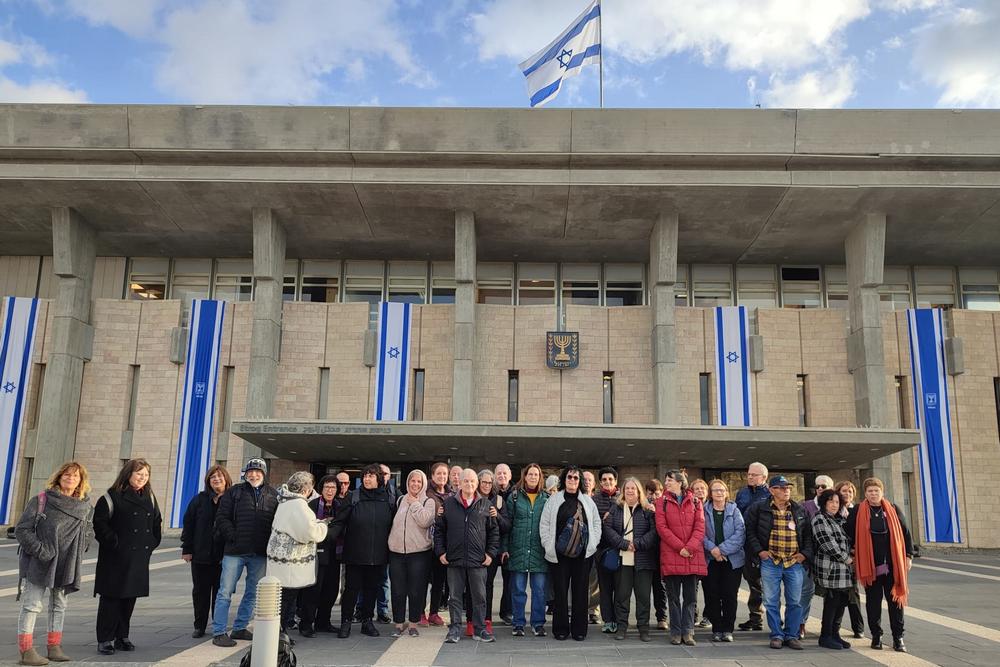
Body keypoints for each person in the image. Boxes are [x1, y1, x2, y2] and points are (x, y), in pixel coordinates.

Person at [15, 461, 94, 666]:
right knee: (32, 605)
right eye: (67, 475)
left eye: (75, 476)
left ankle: (54, 646)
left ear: (81, 481)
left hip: (67, 562)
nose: (71, 478)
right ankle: (26, 650)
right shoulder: (42, 500)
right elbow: (22, 529)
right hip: (40, 561)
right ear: (59, 477)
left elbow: (88, 530)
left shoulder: (85, 506)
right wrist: (41, 551)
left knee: (59, 605)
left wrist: (81, 548)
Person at [93, 458, 162, 655]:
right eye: (139, 473)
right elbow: (100, 524)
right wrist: (114, 542)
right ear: (128, 474)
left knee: (129, 597)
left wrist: (152, 542)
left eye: (146, 474)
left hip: (139, 555)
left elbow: (157, 521)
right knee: (111, 598)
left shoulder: (150, 496)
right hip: (115, 557)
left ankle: (122, 636)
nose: (142, 477)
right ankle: (105, 638)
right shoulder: (111, 496)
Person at [212, 458, 278, 647]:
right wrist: (232, 535)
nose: (253, 474)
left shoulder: (273, 495)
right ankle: (219, 632)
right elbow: (222, 518)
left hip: (259, 553)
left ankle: (240, 627)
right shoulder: (234, 492)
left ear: (264, 474)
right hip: (235, 551)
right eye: (250, 471)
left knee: (253, 592)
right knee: (225, 592)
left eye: (258, 471)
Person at [744, 475, 813, 650]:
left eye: (788, 488)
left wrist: (804, 554)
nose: (786, 491)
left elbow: (807, 535)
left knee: (795, 601)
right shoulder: (759, 508)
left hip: (793, 563)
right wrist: (760, 552)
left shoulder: (799, 509)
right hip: (771, 562)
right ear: (772, 490)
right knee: (771, 600)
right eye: (781, 488)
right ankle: (776, 634)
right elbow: (749, 531)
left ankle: (791, 635)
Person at [845, 477, 914, 653]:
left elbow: (906, 533)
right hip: (871, 567)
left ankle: (898, 637)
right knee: (873, 603)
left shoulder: (893, 509)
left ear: (882, 492)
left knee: (895, 602)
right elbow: (848, 534)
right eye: (870, 491)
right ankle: (876, 636)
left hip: (893, 566)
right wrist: (851, 553)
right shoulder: (858, 511)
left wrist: (908, 555)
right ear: (865, 493)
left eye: (876, 491)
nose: (873, 494)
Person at [328, 463, 395, 639]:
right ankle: (346, 622)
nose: (367, 478)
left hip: (378, 555)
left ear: (379, 479)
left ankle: (367, 621)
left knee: (372, 589)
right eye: (365, 476)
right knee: (351, 590)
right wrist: (327, 536)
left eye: (371, 476)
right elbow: (339, 521)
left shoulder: (388, 499)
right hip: (355, 554)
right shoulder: (353, 497)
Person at [436, 468, 499, 644]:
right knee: (455, 597)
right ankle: (455, 629)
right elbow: (439, 530)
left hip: (478, 560)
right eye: (466, 481)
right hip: (454, 560)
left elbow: (494, 532)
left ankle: (480, 629)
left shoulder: (486, 505)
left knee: (479, 596)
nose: (469, 484)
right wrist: (441, 552)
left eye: (472, 481)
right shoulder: (448, 505)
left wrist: (491, 554)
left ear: (477, 484)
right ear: (460, 483)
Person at [540, 465, 602, 642]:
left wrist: (593, 543)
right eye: (569, 477)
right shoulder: (553, 500)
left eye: (576, 478)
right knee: (560, 592)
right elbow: (544, 524)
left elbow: (597, 524)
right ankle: (560, 629)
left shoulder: (588, 501)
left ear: (580, 481)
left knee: (581, 592)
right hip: (559, 555)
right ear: (564, 480)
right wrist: (547, 545)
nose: (572, 481)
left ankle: (579, 630)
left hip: (583, 556)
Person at [267, 472, 329, 634]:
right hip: (291, 562)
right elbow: (310, 533)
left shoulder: (285, 501)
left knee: (282, 599)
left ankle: (279, 632)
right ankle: (280, 634)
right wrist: (322, 525)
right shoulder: (299, 505)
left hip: (280, 560)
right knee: (287, 600)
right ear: (306, 488)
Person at [603, 478, 658, 642]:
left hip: (643, 560)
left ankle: (644, 628)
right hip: (622, 560)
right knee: (622, 595)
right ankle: (621, 627)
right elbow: (608, 528)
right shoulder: (616, 508)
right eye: (627, 488)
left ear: (639, 491)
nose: (630, 491)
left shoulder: (647, 510)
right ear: (623, 491)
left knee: (643, 597)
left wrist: (638, 544)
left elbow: (654, 532)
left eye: (634, 488)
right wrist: (624, 544)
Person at [656, 469, 706, 647]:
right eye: (666, 479)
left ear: (680, 481)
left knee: (691, 597)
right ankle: (676, 632)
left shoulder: (695, 501)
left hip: (692, 555)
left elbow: (700, 527)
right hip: (671, 554)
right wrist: (680, 547)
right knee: (674, 598)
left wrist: (689, 547)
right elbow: (662, 528)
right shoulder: (661, 502)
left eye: (670, 479)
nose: (667, 482)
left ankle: (688, 631)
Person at [181, 464, 231, 639]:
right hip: (201, 555)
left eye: (220, 477)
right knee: (200, 592)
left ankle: (218, 625)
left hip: (224, 556)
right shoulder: (199, 500)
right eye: (213, 477)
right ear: (208, 481)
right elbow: (188, 524)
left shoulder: (232, 499)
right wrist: (186, 549)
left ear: (226, 479)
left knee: (221, 593)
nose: (217, 480)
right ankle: (199, 625)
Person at [501, 462, 548, 638]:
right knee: (518, 590)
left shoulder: (546, 499)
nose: (533, 477)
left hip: (539, 552)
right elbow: (508, 525)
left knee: (539, 591)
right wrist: (504, 548)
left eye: (536, 475)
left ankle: (538, 624)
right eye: (530, 474)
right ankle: (518, 623)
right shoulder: (514, 497)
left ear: (540, 478)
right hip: (518, 550)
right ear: (525, 476)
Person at [387, 469, 436, 638]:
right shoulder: (400, 499)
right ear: (407, 482)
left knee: (416, 590)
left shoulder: (428, 501)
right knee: (398, 590)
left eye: (419, 482)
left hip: (419, 553)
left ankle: (414, 623)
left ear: (423, 484)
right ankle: (399, 623)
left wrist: (414, 503)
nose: (415, 484)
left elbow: (425, 521)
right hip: (396, 552)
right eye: (412, 481)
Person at [463, 469, 509, 636]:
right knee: (471, 587)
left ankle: (486, 620)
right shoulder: (471, 499)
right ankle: (470, 621)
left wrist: (496, 515)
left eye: (490, 483)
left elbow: (506, 526)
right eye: (484, 482)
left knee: (486, 588)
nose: (487, 485)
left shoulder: (498, 500)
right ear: (478, 483)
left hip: (491, 553)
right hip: (471, 552)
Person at [301, 474, 346, 635]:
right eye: (327, 487)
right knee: (313, 591)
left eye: (333, 487)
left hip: (335, 555)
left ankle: (323, 622)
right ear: (321, 489)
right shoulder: (312, 505)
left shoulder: (340, 506)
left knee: (331, 590)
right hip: (315, 554)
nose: (330, 490)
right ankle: (306, 623)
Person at [702, 479, 745, 643]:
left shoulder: (734, 510)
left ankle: (727, 629)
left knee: (729, 595)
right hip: (710, 560)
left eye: (722, 490)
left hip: (732, 560)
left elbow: (740, 534)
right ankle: (716, 628)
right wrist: (713, 550)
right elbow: (700, 534)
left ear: (726, 492)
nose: (719, 493)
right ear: (710, 494)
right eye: (715, 490)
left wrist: (721, 550)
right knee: (711, 594)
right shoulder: (704, 511)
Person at [811, 489, 854, 650]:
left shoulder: (838, 520)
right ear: (824, 503)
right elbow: (828, 544)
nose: (834, 505)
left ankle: (835, 633)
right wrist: (848, 559)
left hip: (844, 570)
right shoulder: (820, 518)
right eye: (831, 501)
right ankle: (825, 635)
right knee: (832, 601)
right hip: (831, 568)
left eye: (837, 502)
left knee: (841, 602)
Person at [735, 462, 770, 632]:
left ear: (764, 477)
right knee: (754, 583)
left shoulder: (770, 494)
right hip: (746, 545)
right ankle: (755, 617)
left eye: (754, 475)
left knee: (769, 584)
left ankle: (774, 618)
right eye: (749, 474)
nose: (750, 477)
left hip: (765, 546)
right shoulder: (742, 493)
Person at [798, 474, 833, 639]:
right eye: (817, 486)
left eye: (823, 486)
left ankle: (830, 627)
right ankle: (800, 623)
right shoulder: (805, 506)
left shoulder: (836, 506)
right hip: (809, 558)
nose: (819, 489)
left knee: (832, 594)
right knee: (806, 591)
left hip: (831, 559)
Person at [835, 480, 865, 638]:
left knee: (853, 592)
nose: (847, 494)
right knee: (836, 595)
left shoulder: (858, 510)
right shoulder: (833, 510)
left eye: (850, 491)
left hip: (853, 558)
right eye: (843, 491)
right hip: (836, 558)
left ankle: (858, 628)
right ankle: (834, 627)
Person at [594, 467, 621, 634]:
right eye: (604, 480)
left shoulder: (622, 498)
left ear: (616, 481)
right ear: (600, 482)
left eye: (610, 479)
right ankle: (608, 620)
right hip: (602, 550)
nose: (607, 482)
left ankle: (618, 619)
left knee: (620, 587)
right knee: (605, 588)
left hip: (620, 549)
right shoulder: (594, 500)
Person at [425, 462, 452, 626]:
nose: (442, 477)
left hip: (443, 545)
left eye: (444, 474)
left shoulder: (452, 494)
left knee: (439, 582)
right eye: (439, 474)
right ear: (433, 476)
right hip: (427, 544)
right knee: (421, 581)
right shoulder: (426, 494)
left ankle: (434, 612)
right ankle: (420, 612)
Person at [645, 478, 668, 631]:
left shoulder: (665, 506)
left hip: (662, 552)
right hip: (645, 552)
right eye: (650, 492)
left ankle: (662, 617)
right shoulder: (642, 506)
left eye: (656, 493)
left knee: (660, 587)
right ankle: (643, 619)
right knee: (644, 588)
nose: (653, 496)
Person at [493, 463, 515, 626]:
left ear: (509, 476)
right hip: (491, 544)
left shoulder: (515, 493)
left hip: (509, 544)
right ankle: (485, 613)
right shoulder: (489, 492)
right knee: (486, 581)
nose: (501, 476)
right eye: (498, 473)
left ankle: (506, 612)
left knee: (509, 582)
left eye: (504, 473)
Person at [689, 478, 711, 629]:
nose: (700, 491)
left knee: (710, 588)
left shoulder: (712, 507)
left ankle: (708, 616)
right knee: (693, 588)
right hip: (694, 552)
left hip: (710, 553)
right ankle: (693, 615)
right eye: (696, 488)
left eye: (702, 488)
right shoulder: (690, 506)